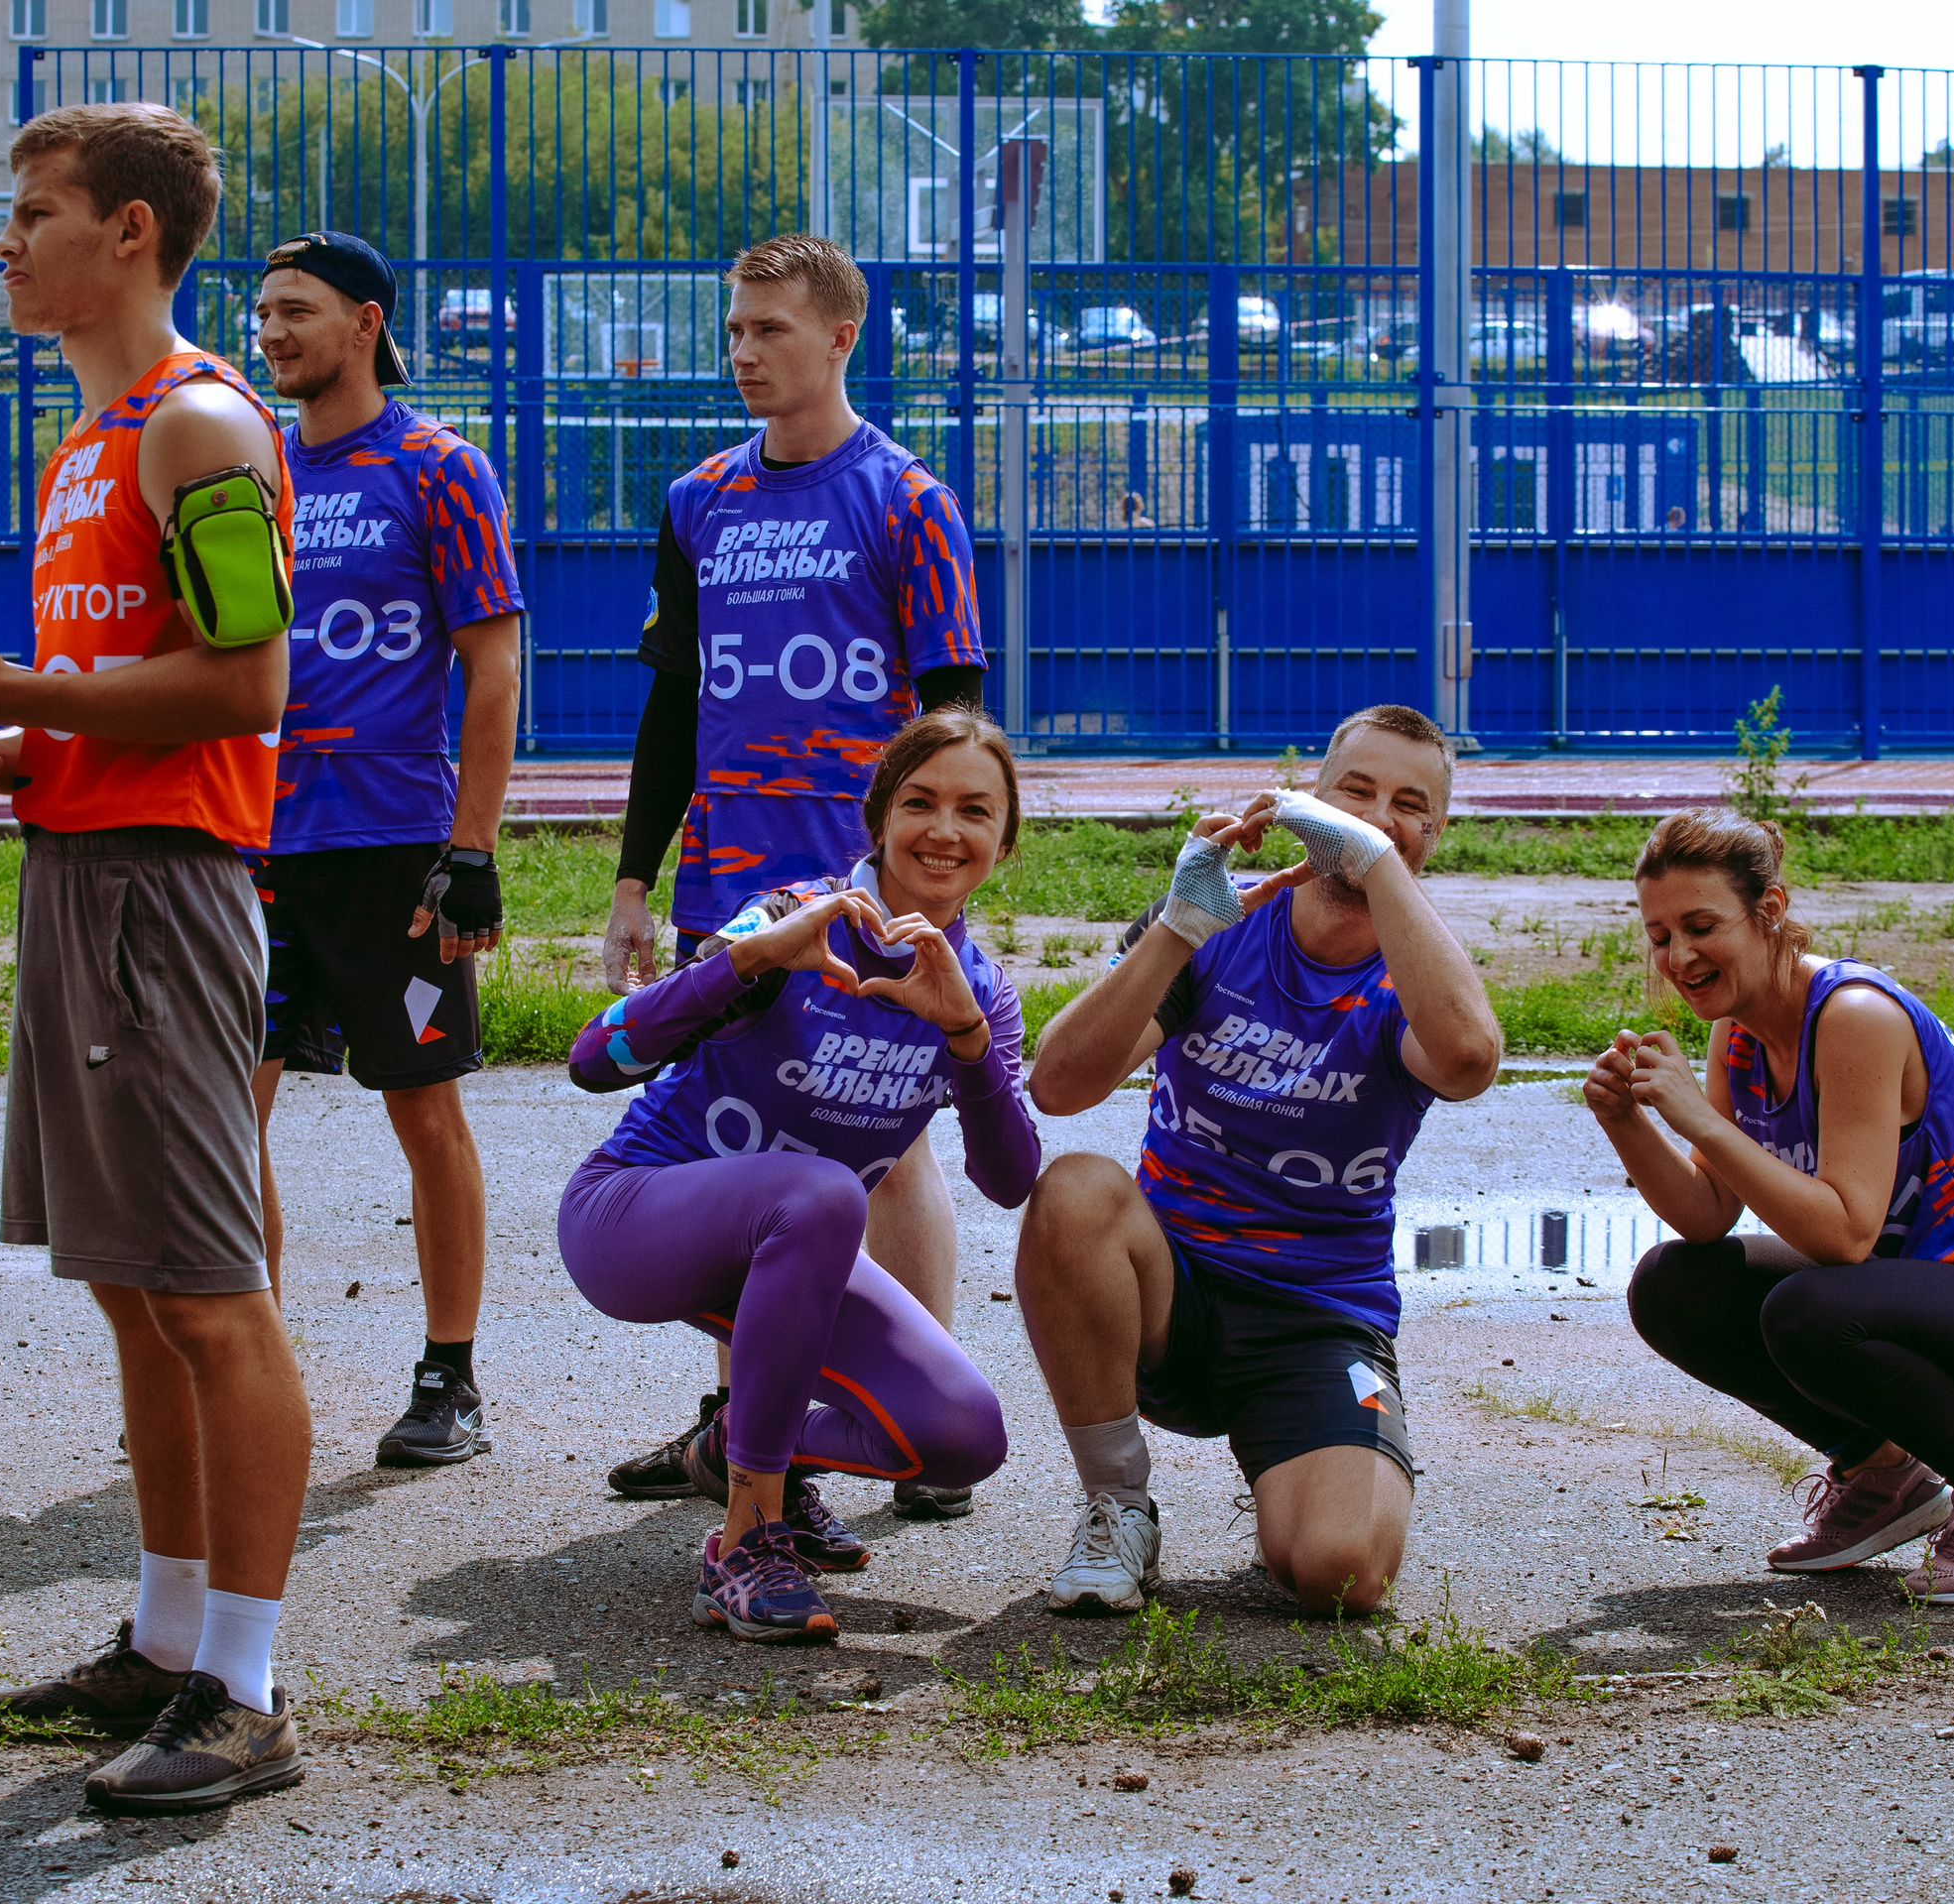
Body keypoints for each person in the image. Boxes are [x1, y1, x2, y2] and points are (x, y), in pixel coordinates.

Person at [0, 102, 312, 1811]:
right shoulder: (83, 447)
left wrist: (22, 693)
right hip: (84, 873)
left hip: (164, 897)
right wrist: (7, 751)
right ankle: (166, 1638)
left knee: (208, 1294)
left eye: (38, 213)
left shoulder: (198, 423)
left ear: (130, 232)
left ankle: (248, 1695)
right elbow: (127, 692)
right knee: (134, 1286)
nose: (8, 245)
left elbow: (250, 686)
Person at [601, 233, 990, 1520]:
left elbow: (952, 718)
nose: (744, 351)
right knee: (740, 1156)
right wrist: (634, 881)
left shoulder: (906, 500)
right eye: (734, 328)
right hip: (730, 882)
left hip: (860, 881)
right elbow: (672, 705)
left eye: (769, 327)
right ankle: (749, 1432)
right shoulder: (699, 499)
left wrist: (934, 880)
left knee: (890, 1149)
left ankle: (912, 1415)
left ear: (839, 338)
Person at [1013, 707, 1504, 1618]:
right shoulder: (1224, 924)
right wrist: (1177, 926)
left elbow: (1469, 1061)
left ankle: (1304, 1471)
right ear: (1311, 800)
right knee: (1075, 1188)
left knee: (1339, 1575)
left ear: (1433, 834)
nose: (1378, 818)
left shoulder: (1417, 971)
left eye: (1409, 807)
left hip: (1318, 1317)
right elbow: (1059, 1085)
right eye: (1356, 792)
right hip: (1172, 1294)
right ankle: (1118, 1506)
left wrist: (1376, 864)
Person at [559, 705, 1035, 1640]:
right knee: (820, 1193)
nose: (944, 830)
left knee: (961, 1439)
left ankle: (732, 1443)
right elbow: (593, 1059)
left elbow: (1010, 1179)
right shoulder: (789, 917)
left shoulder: (978, 989)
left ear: (1005, 843)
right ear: (878, 819)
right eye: (920, 802)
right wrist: (748, 959)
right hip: (632, 1219)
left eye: (975, 811)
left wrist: (967, 1038)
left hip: (796, 1245)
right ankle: (747, 1541)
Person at [1583, 808, 1954, 1606]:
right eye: (1660, 936)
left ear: (1769, 911)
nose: (1679, 956)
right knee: (1673, 1285)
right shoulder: (1739, 1035)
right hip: (1917, 1301)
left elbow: (1847, 1236)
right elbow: (1707, 1215)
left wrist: (1698, 1120)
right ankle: (1883, 1476)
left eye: (1701, 927)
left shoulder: (1855, 1016)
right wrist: (1627, 1121)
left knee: (1809, 1310)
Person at [246, 230, 525, 1467]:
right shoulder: (249, 467)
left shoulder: (439, 467)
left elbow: (492, 668)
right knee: (227, 1115)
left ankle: (449, 1379)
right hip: (255, 843)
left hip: (392, 847)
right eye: (263, 312)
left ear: (366, 322)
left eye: (297, 310)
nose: (272, 331)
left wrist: (472, 849)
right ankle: (246, 1370)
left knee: (423, 1110)